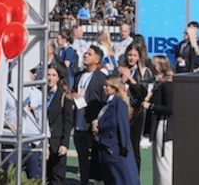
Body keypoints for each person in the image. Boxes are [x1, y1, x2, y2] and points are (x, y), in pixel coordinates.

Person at [93, 73, 139, 185]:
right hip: (107, 149)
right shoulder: (107, 104)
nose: (104, 87)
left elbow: (123, 126)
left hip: (115, 150)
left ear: (115, 88)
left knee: (122, 180)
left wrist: (124, 147)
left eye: (107, 85)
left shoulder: (119, 104)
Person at [74, 46, 108, 185]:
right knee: (82, 157)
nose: (85, 56)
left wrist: (97, 120)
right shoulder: (78, 75)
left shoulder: (101, 78)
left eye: (89, 54)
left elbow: (104, 102)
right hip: (78, 123)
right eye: (85, 53)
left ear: (97, 59)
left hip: (91, 124)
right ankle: (83, 181)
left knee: (93, 157)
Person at [117, 44, 153, 171]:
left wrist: (131, 79)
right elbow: (113, 88)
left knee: (134, 145)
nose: (131, 58)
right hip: (120, 110)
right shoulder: (119, 70)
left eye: (134, 56)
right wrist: (122, 79)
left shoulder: (142, 72)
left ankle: (135, 175)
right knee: (120, 143)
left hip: (135, 112)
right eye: (130, 55)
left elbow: (143, 93)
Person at [143, 55, 174, 185]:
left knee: (164, 163)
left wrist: (151, 106)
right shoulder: (160, 84)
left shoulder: (167, 85)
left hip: (164, 125)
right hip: (161, 125)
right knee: (159, 163)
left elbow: (170, 108)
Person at [45, 64, 74, 185]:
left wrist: (64, 143)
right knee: (44, 175)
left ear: (58, 78)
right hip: (43, 141)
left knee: (57, 176)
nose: (50, 78)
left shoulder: (64, 96)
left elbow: (68, 122)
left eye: (53, 75)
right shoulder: (40, 93)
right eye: (48, 75)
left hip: (57, 141)